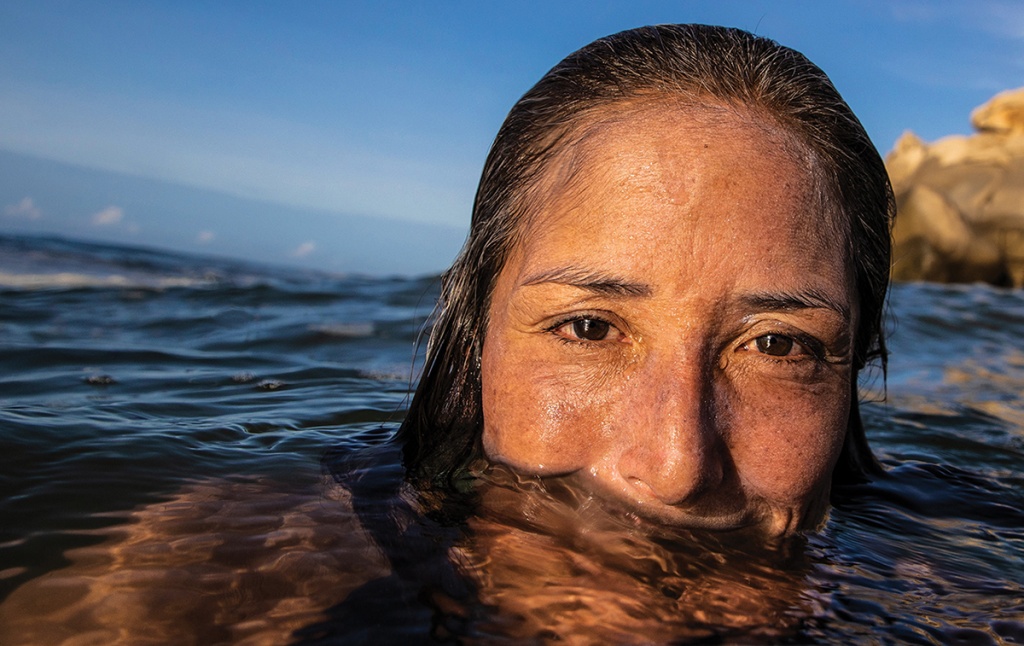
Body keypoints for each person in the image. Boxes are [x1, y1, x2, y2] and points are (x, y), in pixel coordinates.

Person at [398, 23, 893, 538]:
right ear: (476, 338)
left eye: (777, 345)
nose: (678, 469)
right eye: (589, 328)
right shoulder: (315, 577)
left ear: (853, 366)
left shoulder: (964, 593)